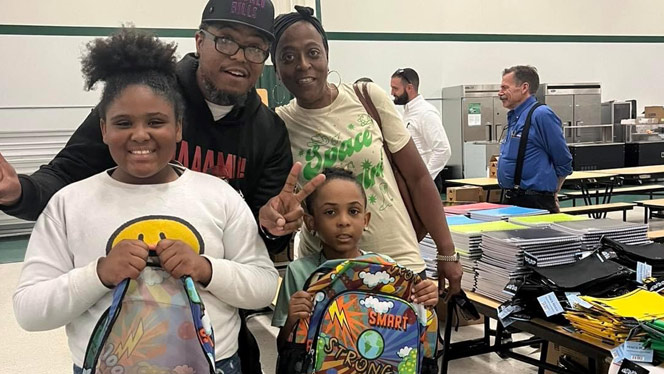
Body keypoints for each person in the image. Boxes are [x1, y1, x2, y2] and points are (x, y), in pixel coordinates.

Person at [12, 28, 278, 374]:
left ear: (179, 128)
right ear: (103, 128)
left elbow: (263, 285)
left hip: (215, 365)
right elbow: (29, 310)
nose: (140, 134)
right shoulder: (69, 204)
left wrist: (205, 268)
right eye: (123, 123)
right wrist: (99, 274)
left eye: (156, 122)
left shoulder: (218, 196)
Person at [0, 0, 297, 255]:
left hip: (213, 285)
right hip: (123, 271)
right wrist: (19, 192)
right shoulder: (143, 97)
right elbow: (67, 174)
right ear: (200, 41)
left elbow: (259, 242)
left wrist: (273, 228)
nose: (239, 56)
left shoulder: (269, 132)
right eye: (226, 40)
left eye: (255, 48)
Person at [266, 5, 462, 298]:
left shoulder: (367, 97)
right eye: (288, 57)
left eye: (313, 52)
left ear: (327, 56)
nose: (303, 64)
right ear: (277, 71)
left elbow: (419, 178)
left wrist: (447, 253)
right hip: (327, 273)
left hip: (397, 263)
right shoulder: (278, 124)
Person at [271, 167, 439, 350]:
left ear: (365, 220)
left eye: (353, 211)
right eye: (330, 212)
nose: (344, 221)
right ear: (311, 222)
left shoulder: (386, 269)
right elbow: (283, 348)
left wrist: (426, 295)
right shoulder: (299, 272)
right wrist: (292, 320)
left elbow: (413, 332)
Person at [496, 65, 573, 212]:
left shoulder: (541, 115)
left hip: (535, 202)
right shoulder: (515, 117)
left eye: (505, 88)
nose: (500, 93)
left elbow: (563, 160)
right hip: (512, 198)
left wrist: (553, 193)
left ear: (524, 87)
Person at [390, 68, 451, 193]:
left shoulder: (426, 113)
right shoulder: (406, 112)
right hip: (412, 181)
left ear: (409, 88)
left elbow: (443, 150)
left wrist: (424, 179)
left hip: (425, 183)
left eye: (395, 89)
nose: (392, 92)